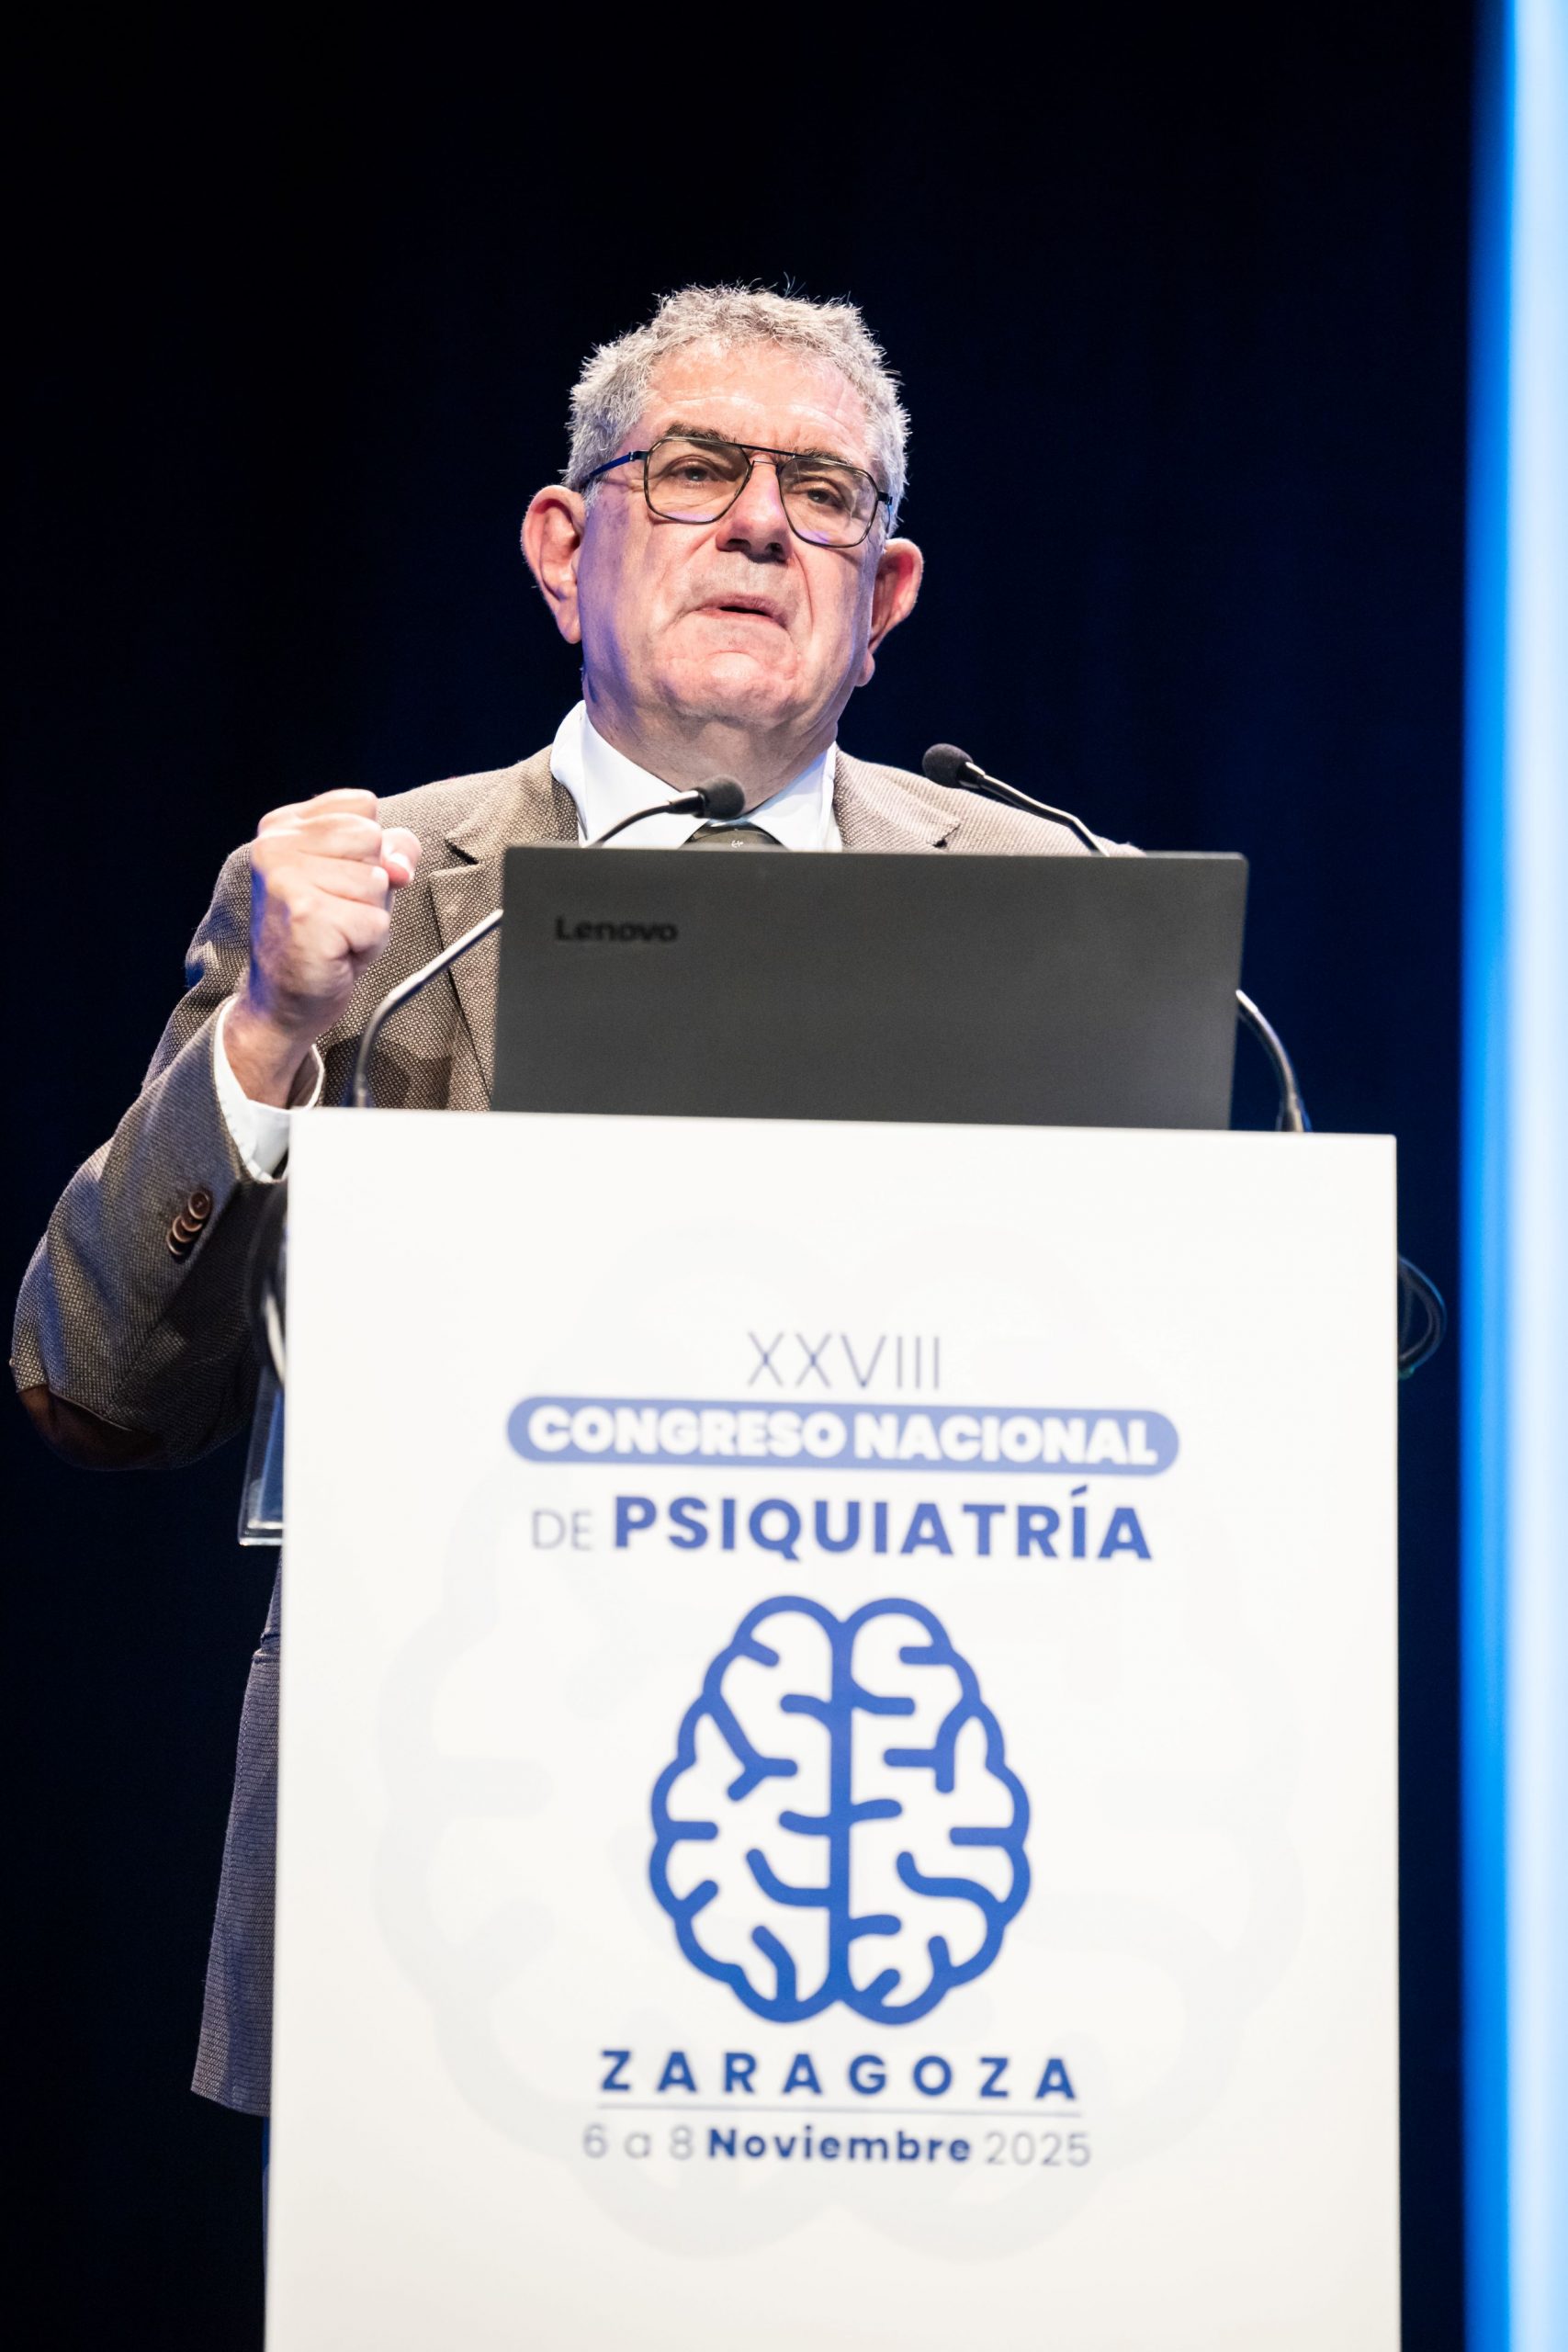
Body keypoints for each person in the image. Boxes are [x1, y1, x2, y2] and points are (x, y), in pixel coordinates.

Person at [11, 284, 1113, 2120]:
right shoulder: (362, 890)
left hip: (921, 1903)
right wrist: (279, 1031)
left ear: (885, 598)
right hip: (444, 1876)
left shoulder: (1055, 896)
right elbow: (97, 1378)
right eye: (694, 470)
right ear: (562, 545)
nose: (761, 520)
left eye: (822, 491)